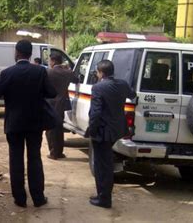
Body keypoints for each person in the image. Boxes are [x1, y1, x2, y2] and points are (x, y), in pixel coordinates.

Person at [0, 40, 56, 208]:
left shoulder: (7, 73)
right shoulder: (39, 72)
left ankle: (20, 199)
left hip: (14, 124)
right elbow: (52, 93)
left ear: (17, 53)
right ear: (30, 53)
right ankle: (38, 198)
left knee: (16, 160)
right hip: (35, 124)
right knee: (34, 159)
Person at [85, 60, 136, 209]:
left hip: (102, 132)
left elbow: (95, 113)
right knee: (105, 164)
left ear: (101, 73)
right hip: (116, 130)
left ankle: (104, 198)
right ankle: (102, 195)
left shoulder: (98, 87)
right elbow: (132, 94)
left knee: (103, 167)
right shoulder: (122, 84)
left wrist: (92, 132)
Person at [45, 52, 79, 160]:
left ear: (53, 61)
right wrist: (68, 69)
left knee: (50, 130)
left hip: (50, 103)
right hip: (61, 104)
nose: (49, 63)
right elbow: (77, 79)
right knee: (59, 128)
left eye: (50, 60)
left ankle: (53, 153)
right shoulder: (67, 72)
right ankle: (59, 152)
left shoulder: (48, 72)